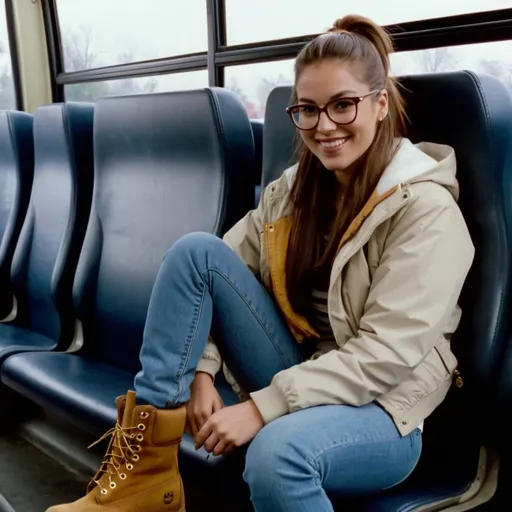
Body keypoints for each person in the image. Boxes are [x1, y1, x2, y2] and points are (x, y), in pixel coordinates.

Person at [47, 13, 474, 512]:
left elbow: (387, 354)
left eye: (343, 106)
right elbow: (216, 274)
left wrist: (259, 408)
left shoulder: (426, 210)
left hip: (386, 410)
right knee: (196, 254)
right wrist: (202, 373)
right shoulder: (293, 191)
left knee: (277, 454)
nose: (324, 126)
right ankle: (148, 472)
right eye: (308, 110)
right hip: (302, 369)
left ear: (380, 105)